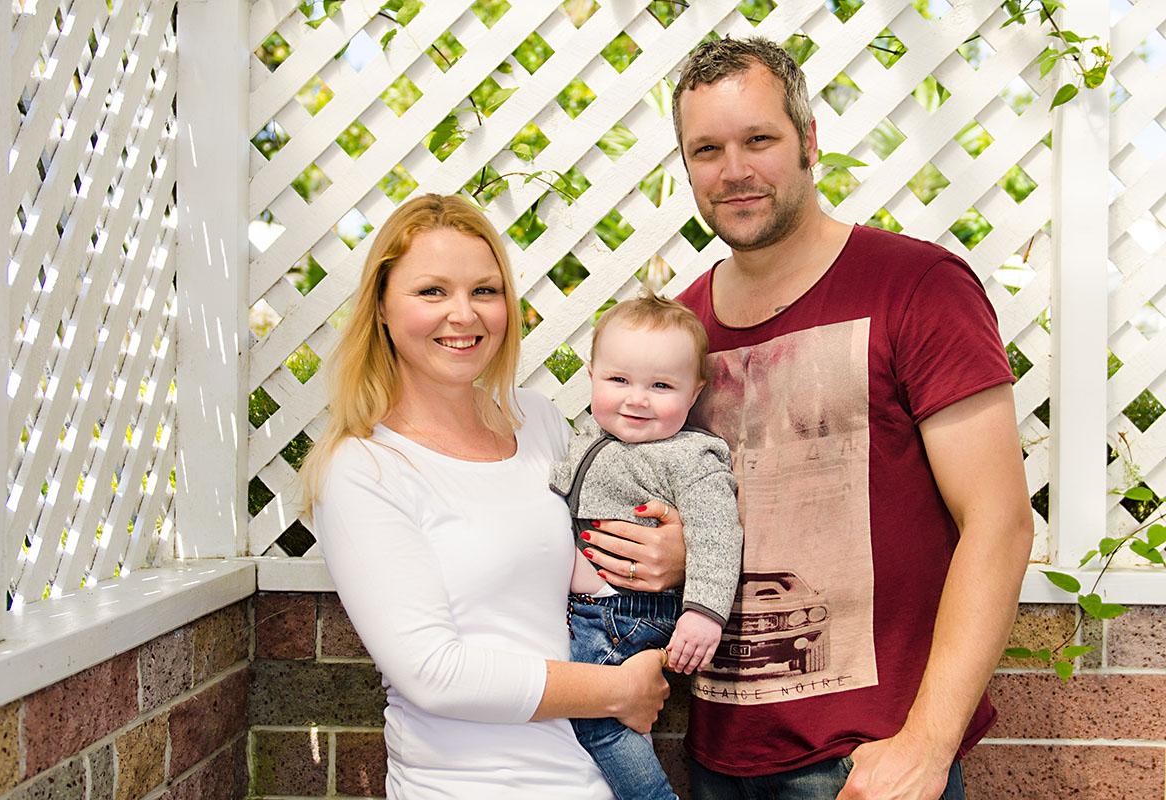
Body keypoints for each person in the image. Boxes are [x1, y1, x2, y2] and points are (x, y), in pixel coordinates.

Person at [667, 37, 1036, 799]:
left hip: (870, 767)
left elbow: (998, 521)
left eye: (758, 140)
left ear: (807, 142)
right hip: (717, 758)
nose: (733, 170)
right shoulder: (680, 331)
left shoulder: (916, 285)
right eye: (707, 149)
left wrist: (927, 747)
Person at [299, 193, 682, 799]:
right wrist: (616, 690)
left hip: (595, 779)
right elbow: (434, 673)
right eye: (431, 292)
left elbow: (608, 562)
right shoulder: (363, 470)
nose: (464, 314)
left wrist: (672, 550)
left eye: (485, 290)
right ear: (380, 307)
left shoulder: (536, 422)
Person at [549, 294, 744, 800]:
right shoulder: (588, 435)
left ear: (694, 390)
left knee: (599, 722)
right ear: (591, 375)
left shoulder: (689, 457)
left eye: (661, 386)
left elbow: (718, 534)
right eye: (619, 381)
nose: (637, 399)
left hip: (629, 611)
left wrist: (704, 612)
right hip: (594, 609)